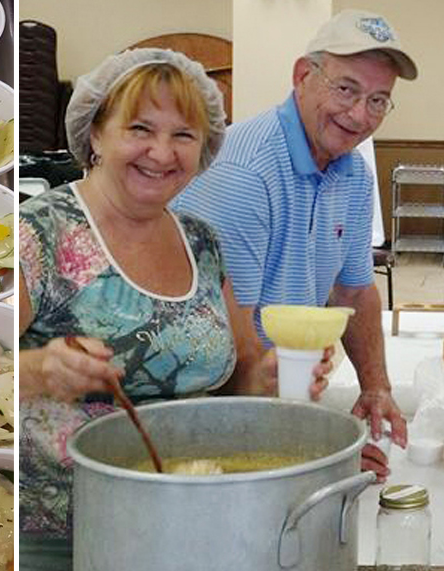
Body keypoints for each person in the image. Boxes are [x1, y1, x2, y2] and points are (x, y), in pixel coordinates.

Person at [18, 49, 349, 571]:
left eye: (183, 135)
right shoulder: (40, 233)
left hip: (188, 531)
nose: (161, 153)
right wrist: (37, 370)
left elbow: (240, 372)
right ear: (96, 134)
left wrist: (270, 376)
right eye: (140, 129)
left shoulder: (201, 241)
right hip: (60, 545)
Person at [171, 9, 415, 449]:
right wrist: (305, 446)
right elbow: (233, 338)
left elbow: (354, 291)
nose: (359, 115)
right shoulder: (246, 174)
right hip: (207, 401)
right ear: (303, 75)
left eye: (378, 100)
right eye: (346, 89)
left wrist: (376, 387)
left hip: (280, 384)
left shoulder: (354, 174)